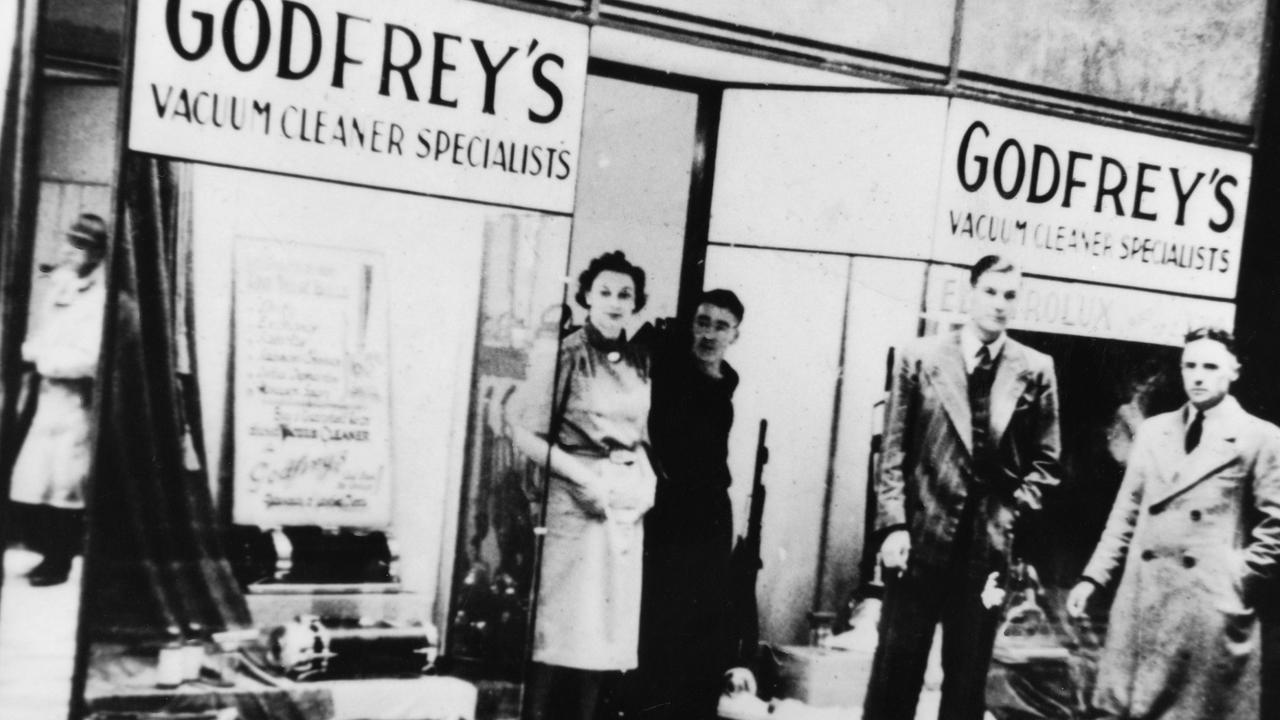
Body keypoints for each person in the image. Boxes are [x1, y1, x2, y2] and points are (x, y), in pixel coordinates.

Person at [863, 254, 1062, 720]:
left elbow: (1047, 463)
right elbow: (893, 452)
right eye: (990, 292)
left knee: (967, 682)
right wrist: (893, 527)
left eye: (1010, 295)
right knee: (895, 676)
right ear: (970, 292)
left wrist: (1010, 516)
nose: (999, 304)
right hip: (919, 540)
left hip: (985, 552)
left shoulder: (1035, 369)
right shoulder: (920, 358)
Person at [1066, 326, 1280, 720]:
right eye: (1190, 365)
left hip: (1206, 608)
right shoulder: (1153, 431)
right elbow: (1126, 513)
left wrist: (1236, 575)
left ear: (1234, 370)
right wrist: (1092, 578)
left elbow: (1277, 525)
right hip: (1142, 598)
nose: (1198, 376)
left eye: (1211, 366)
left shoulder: (1259, 437)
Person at [507, 251, 657, 720]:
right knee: (561, 630)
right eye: (605, 292)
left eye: (625, 294)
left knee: (605, 636)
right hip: (575, 500)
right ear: (586, 297)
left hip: (624, 504)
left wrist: (647, 483)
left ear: (637, 304)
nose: (615, 302)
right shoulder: (564, 353)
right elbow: (524, 433)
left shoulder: (640, 360)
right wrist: (583, 477)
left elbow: (641, 434)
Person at [638, 289, 744, 720]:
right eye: (702, 322)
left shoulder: (729, 380)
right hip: (669, 510)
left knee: (707, 626)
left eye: (721, 326)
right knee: (661, 622)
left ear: (735, 334)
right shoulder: (668, 370)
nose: (709, 333)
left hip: (713, 513)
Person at [7, 212, 108, 587]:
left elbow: (90, 359)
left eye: (80, 246)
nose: (69, 251)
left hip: (76, 403)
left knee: (65, 484)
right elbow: (44, 334)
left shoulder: (101, 299)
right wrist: (23, 352)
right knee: (37, 479)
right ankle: (45, 554)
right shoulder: (61, 286)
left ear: (97, 253)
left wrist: (43, 360)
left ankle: (60, 562)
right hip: (45, 398)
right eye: (69, 241)